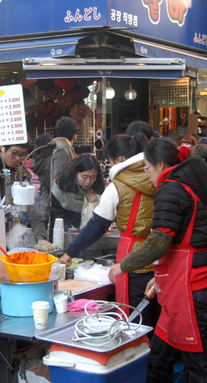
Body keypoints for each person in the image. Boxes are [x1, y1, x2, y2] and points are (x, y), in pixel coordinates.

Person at [108, 137, 207, 382]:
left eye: (146, 167)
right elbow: (178, 240)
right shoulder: (181, 185)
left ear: (159, 164)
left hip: (191, 290)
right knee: (159, 359)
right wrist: (159, 277)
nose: (146, 173)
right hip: (181, 286)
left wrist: (123, 266)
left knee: (205, 369)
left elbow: (160, 242)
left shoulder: (171, 188)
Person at [60, 133, 159, 327]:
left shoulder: (119, 185)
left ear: (120, 159)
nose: (111, 165)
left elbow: (97, 226)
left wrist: (69, 253)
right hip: (161, 261)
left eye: (110, 161)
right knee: (156, 320)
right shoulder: (158, 177)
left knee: (133, 322)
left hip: (132, 262)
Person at [49, 154, 104, 238]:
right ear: (75, 173)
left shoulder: (97, 191)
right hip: (66, 237)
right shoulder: (60, 190)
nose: (88, 182)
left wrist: (95, 204)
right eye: (84, 177)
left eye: (93, 177)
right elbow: (56, 222)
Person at [30, 133, 53, 221]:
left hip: (43, 199)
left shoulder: (38, 160)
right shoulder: (49, 161)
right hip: (49, 201)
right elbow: (50, 185)